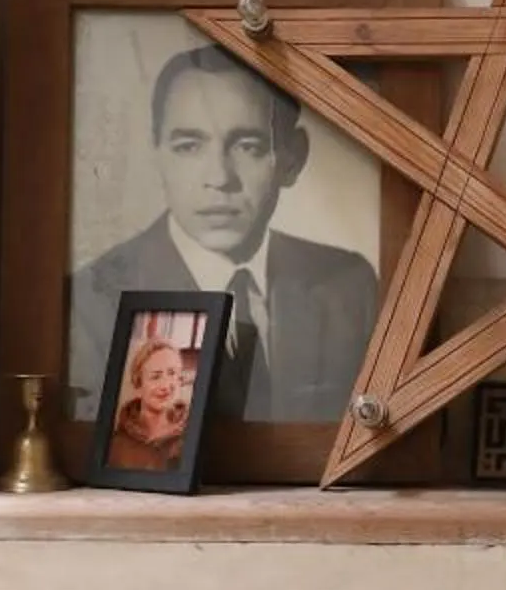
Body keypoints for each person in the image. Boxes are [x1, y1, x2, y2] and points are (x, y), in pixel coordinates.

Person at [70, 45, 378, 424]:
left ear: (292, 158)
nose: (219, 178)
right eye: (189, 146)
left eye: (247, 146)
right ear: (157, 155)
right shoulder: (91, 301)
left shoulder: (348, 285)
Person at [105, 338, 194, 471]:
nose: (165, 385)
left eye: (172, 373)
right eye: (156, 376)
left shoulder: (192, 436)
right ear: (138, 384)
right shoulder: (115, 445)